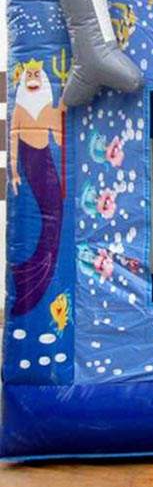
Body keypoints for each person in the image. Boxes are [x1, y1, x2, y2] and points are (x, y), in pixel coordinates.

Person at [9, 59, 66, 315]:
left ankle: (37, 271)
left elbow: (59, 140)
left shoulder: (47, 109)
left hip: (47, 167)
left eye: (36, 75)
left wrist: (61, 111)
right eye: (29, 75)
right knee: (46, 220)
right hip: (32, 168)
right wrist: (13, 172)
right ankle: (30, 275)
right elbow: (12, 142)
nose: (33, 79)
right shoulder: (19, 110)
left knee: (54, 220)